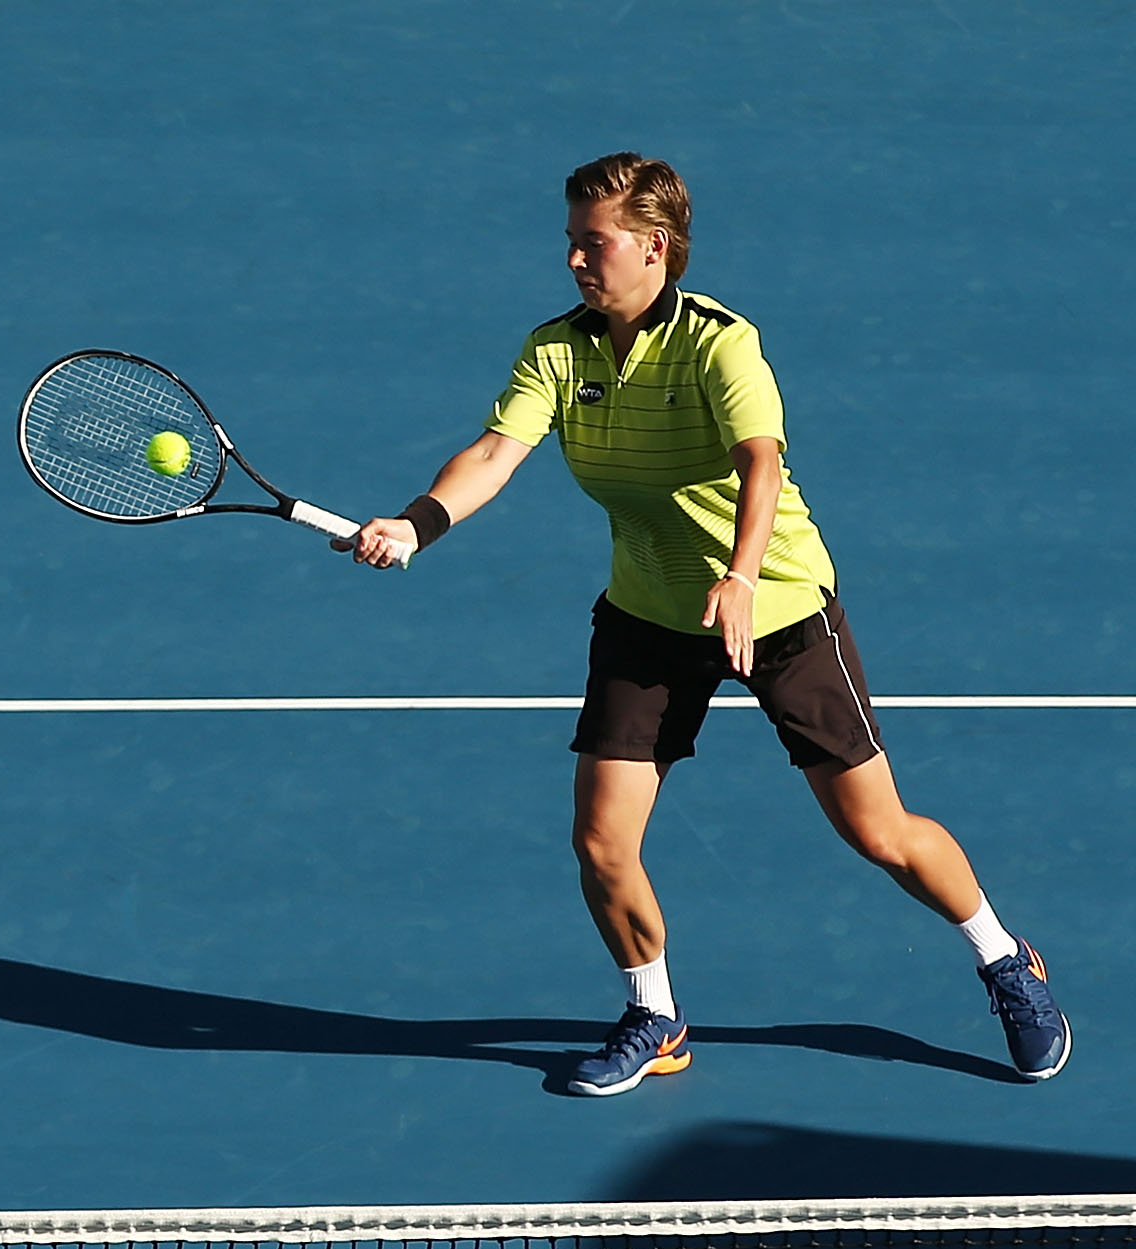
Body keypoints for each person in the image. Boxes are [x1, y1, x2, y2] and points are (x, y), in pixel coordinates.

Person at [343, 152, 1068, 1093]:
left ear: (653, 246)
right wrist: (417, 521)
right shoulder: (556, 350)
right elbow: (494, 450)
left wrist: (737, 577)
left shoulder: (721, 343)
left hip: (776, 605)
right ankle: (656, 1014)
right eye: (569, 241)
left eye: (590, 242)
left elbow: (759, 461)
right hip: (647, 615)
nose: (572, 260)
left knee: (877, 830)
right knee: (601, 842)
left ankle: (1004, 956)